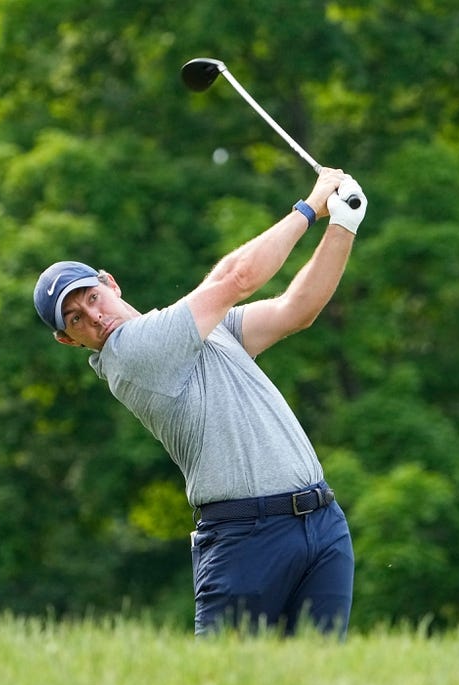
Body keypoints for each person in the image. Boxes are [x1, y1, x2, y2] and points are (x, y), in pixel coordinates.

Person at [33, 168, 367, 636]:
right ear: (68, 341)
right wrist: (310, 207)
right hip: (246, 540)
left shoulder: (196, 331)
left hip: (321, 523)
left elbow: (296, 310)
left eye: (91, 297)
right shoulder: (131, 353)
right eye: (76, 318)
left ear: (110, 283)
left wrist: (343, 225)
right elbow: (238, 277)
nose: (95, 316)